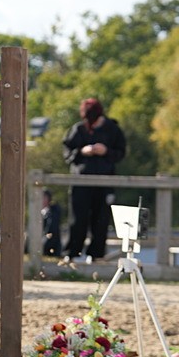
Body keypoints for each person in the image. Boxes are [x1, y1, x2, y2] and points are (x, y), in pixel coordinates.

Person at [60, 98, 126, 263]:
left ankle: (96, 254)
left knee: (101, 219)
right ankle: (72, 253)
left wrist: (106, 151)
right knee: (78, 218)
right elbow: (67, 153)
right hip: (81, 181)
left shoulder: (112, 129)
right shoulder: (78, 129)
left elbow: (121, 153)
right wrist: (82, 151)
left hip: (105, 181)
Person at [41, 189, 62, 256]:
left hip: (51, 246)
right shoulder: (39, 212)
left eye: (44, 198)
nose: (42, 200)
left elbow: (52, 229)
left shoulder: (53, 212)